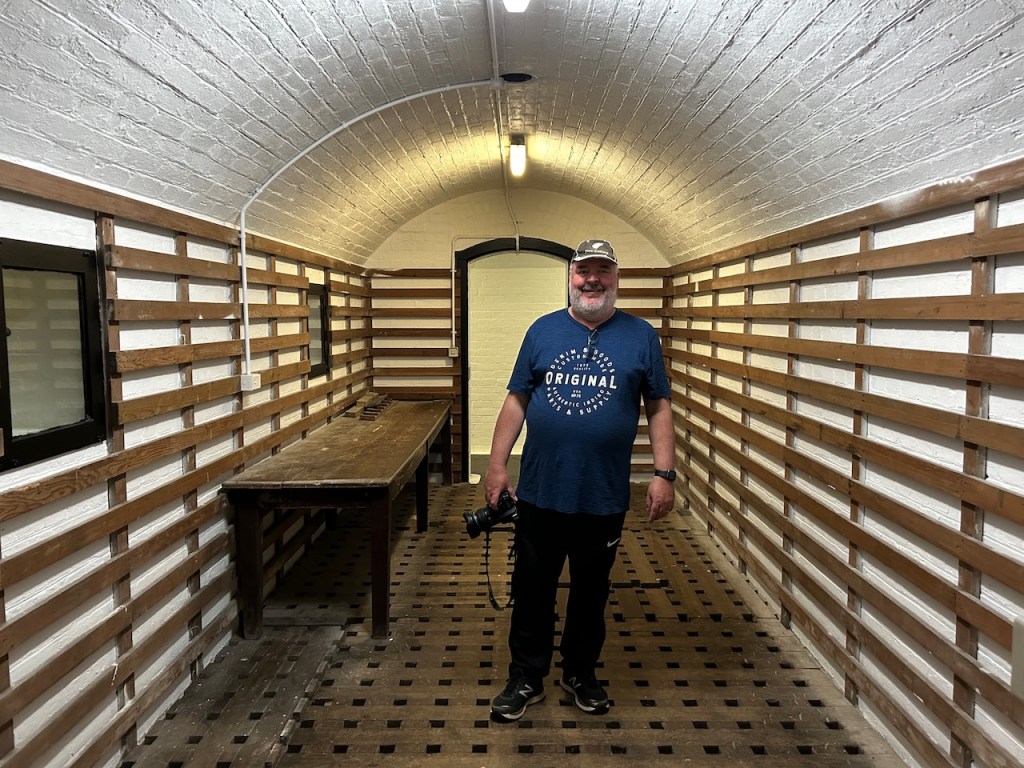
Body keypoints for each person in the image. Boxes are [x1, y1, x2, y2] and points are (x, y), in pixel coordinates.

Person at [483, 238, 676, 722]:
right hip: (541, 490)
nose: (592, 280)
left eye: (602, 271)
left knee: (591, 591)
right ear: (570, 277)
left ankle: (580, 673)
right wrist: (497, 465)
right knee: (533, 589)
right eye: (583, 271)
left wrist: (664, 473)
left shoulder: (641, 336)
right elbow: (517, 399)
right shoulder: (542, 330)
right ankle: (526, 677)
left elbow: (658, 407)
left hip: (603, 493)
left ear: (616, 278)